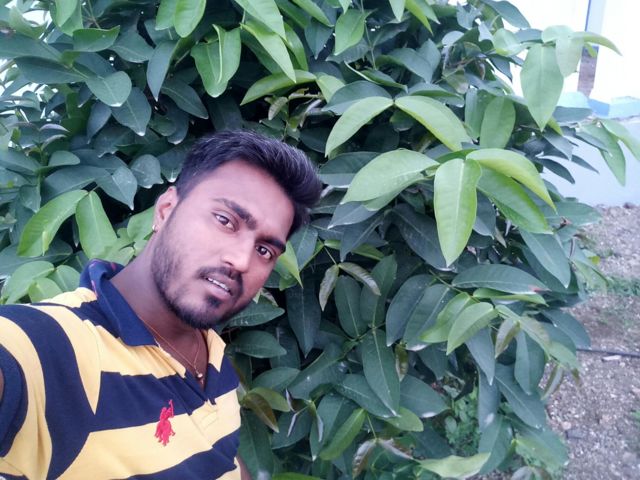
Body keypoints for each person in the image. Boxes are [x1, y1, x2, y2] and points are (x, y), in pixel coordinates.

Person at [0, 130, 323, 479]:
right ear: (166, 209)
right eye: (225, 221)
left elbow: (221, 456)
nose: (242, 260)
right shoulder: (57, 349)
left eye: (264, 250)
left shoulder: (209, 347)